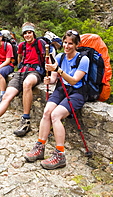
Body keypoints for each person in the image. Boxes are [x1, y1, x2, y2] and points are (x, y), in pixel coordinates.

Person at [24, 29, 89, 170]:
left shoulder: (83, 60)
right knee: (47, 112)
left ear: (77, 45)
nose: (66, 46)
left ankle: (60, 155)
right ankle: (40, 146)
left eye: (70, 43)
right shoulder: (60, 57)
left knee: (56, 115)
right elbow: (54, 79)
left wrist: (58, 70)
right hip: (61, 89)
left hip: (77, 93)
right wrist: (49, 79)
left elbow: (73, 80)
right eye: (65, 42)